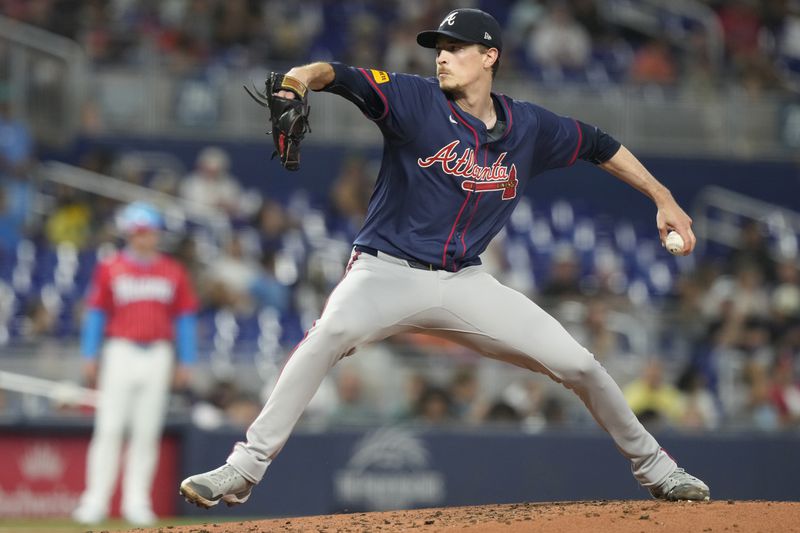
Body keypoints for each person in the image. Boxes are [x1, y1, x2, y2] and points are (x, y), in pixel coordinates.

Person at [180, 8, 710, 508]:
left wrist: (662, 197)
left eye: (456, 48)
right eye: (439, 47)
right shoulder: (414, 99)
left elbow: (600, 144)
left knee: (580, 365)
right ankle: (244, 469)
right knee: (327, 336)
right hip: (384, 272)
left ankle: (659, 470)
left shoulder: (529, 126)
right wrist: (297, 79)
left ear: (489, 57)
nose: (441, 56)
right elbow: (334, 74)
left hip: (466, 282)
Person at [73, 202, 199, 526]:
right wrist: (90, 354)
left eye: (149, 232)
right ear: (129, 234)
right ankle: (95, 501)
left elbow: (185, 317)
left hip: (158, 353)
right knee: (110, 428)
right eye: (139, 233)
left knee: (146, 432)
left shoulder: (173, 271)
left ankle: (137, 501)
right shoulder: (111, 267)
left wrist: (186, 359)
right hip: (120, 350)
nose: (144, 239)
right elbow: (97, 313)